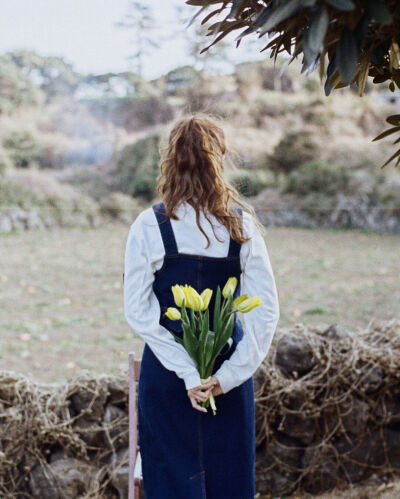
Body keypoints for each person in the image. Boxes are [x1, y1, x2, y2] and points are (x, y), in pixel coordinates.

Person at [123, 113, 280, 499]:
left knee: (172, 481)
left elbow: (138, 311)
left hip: (168, 375)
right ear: (220, 161)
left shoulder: (148, 225)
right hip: (227, 375)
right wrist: (224, 377)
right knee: (230, 482)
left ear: (170, 161)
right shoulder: (241, 227)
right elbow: (265, 313)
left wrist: (189, 375)